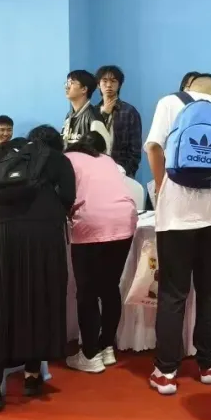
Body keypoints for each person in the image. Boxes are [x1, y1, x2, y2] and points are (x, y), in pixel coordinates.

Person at [143, 73, 211, 395]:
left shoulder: (170, 102)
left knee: (173, 293)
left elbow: (154, 148)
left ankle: (166, 371)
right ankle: (208, 364)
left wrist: (161, 186)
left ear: (188, 88)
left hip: (175, 218)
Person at [0, 125, 74, 412]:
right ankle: (31, 377)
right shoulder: (58, 160)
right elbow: (68, 198)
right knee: (40, 298)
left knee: (1, 301)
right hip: (44, 234)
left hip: (0, 232)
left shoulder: (4, 155)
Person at [63, 131, 138, 373]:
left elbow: (64, 195)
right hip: (124, 220)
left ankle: (89, 354)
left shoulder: (67, 159)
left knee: (86, 291)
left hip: (91, 223)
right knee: (109, 287)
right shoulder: (106, 160)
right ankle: (107, 348)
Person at [94, 65, 143, 178]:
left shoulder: (129, 111)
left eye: (113, 81)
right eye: (104, 81)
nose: (109, 85)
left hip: (122, 172)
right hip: (96, 172)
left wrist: (125, 171)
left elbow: (135, 149)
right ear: (98, 84)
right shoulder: (93, 111)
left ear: (119, 84)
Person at [63, 69, 111, 148]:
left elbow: (105, 149)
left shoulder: (93, 118)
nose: (66, 87)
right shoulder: (69, 115)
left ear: (84, 89)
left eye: (71, 83)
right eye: (67, 83)